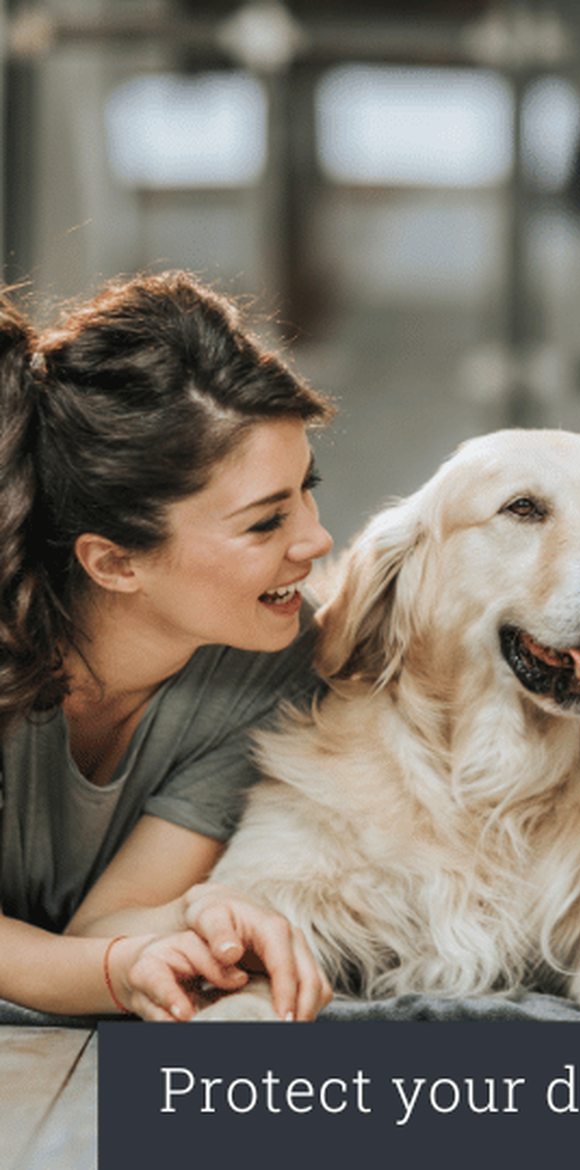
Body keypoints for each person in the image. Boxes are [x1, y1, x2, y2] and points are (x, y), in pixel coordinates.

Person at [0, 270, 336, 1022]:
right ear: (115, 562)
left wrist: (198, 924)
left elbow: (104, 927)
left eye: (308, 488)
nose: (316, 539)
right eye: (264, 522)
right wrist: (112, 969)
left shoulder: (276, 664)